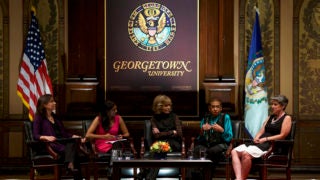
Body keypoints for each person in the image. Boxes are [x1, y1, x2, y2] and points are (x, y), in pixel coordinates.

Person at [231, 94, 292, 180]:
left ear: (283, 106)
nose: (272, 106)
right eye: (272, 104)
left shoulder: (287, 118)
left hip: (272, 145)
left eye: (275, 104)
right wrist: (256, 137)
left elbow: (282, 135)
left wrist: (266, 139)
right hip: (260, 142)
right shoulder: (270, 117)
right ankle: (239, 178)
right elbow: (262, 130)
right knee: (234, 151)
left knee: (246, 154)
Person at [32, 94, 85, 179]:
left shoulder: (55, 117)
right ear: (45, 105)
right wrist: (46, 137)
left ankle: (69, 165)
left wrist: (73, 135)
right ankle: (72, 168)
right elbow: (35, 135)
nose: (55, 103)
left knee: (73, 142)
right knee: (74, 151)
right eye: (52, 101)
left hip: (62, 142)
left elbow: (64, 133)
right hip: (49, 145)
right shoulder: (39, 118)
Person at [138, 94, 183, 179]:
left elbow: (180, 134)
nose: (169, 108)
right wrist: (171, 132)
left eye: (169, 105)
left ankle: (144, 174)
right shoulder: (154, 119)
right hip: (159, 144)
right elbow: (156, 135)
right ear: (159, 106)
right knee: (157, 150)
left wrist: (162, 134)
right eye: (166, 106)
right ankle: (149, 176)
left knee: (158, 148)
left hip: (173, 143)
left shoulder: (174, 117)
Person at [191, 97, 233, 178]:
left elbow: (229, 137)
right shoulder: (206, 118)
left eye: (217, 107)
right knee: (197, 149)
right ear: (209, 108)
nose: (215, 109)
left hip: (221, 144)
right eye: (213, 107)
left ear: (221, 108)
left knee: (212, 151)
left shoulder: (225, 117)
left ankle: (208, 176)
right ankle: (195, 177)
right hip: (207, 143)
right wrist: (202, 130)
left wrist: (221, 130)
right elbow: (200, 138)